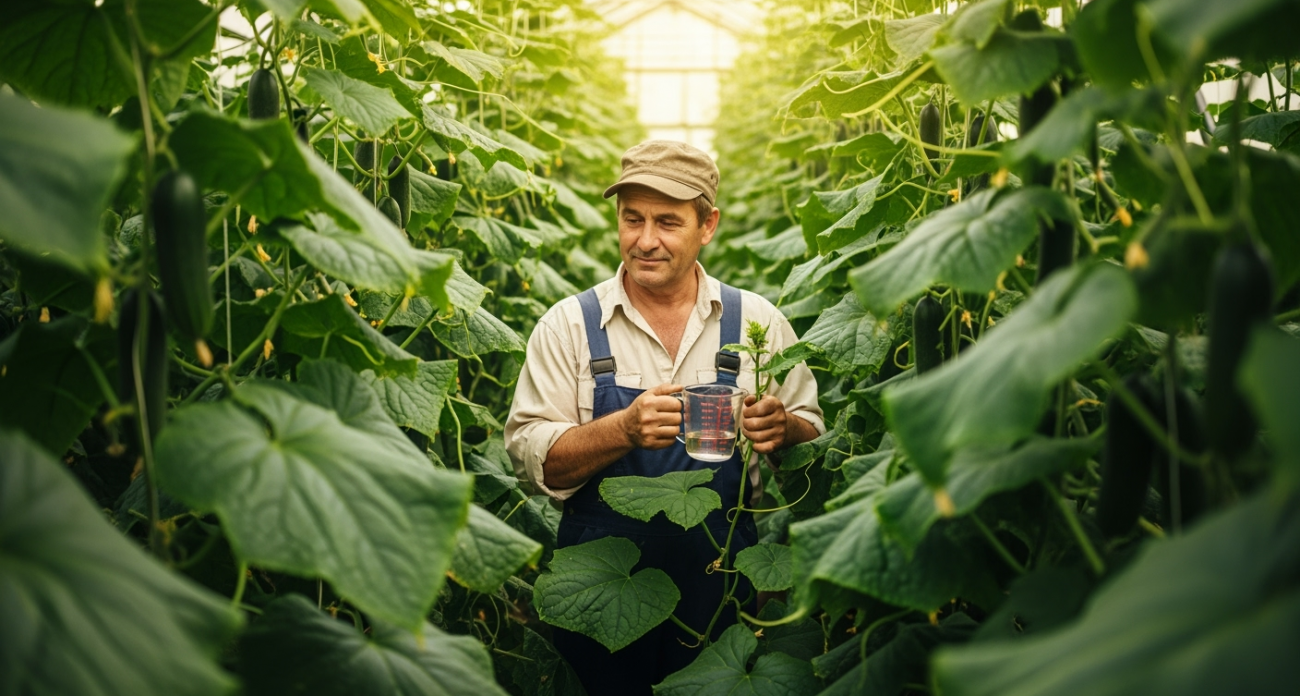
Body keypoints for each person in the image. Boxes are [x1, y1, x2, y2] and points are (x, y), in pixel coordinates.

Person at [504, 140, 824, 694]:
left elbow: (810, 445)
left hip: (720, 582)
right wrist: (622, 428)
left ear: (708, 225)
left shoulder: (758, 323)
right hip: (600, 588)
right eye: (633, 219)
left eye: (667, 223)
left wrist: (784, 428)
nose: (645, 240)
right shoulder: (570, 326)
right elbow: (535, 464)